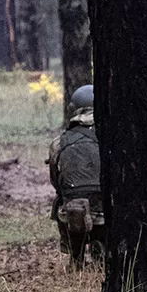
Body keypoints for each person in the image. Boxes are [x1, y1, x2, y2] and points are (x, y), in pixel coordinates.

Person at [47, 84, 105, 270]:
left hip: (73, 210)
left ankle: (76, 253)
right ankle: (102, 249)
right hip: (106, 210)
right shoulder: (111, 137)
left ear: (73, 109)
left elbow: (56, 181)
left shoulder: (59, 143)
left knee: (60, 201)